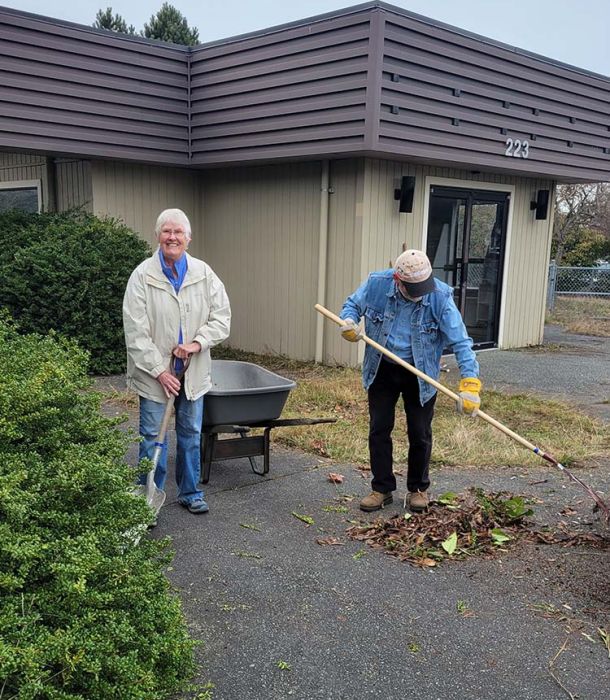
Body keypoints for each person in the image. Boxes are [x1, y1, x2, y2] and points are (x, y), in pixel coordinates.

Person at [339, 249, 481, 513]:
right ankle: (381, 489)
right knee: (379, 429)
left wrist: (470, 384)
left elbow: (461, 341)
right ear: (398, 280)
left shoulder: (439, 296)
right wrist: (348, 322)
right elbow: (352, 306)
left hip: (421, 372)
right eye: (414, 288)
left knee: (420, 432)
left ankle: (418, 489)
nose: (420, 293)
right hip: (382, 367)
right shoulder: (377, 284)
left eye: (423, 286)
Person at [123, 208, 231, 514]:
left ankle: (190, 492)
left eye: (178, 232)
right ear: (158, 236)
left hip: (193, 371)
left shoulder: (204, 273)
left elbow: (222, 318)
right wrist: (160, 372)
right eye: (167, 232)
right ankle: (147, 499)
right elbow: (135, 331)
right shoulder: (142, 276)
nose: (172, 237)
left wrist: (196, 343)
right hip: (154, 374)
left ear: (188, 238)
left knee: (190, 435)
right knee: (152, 438)